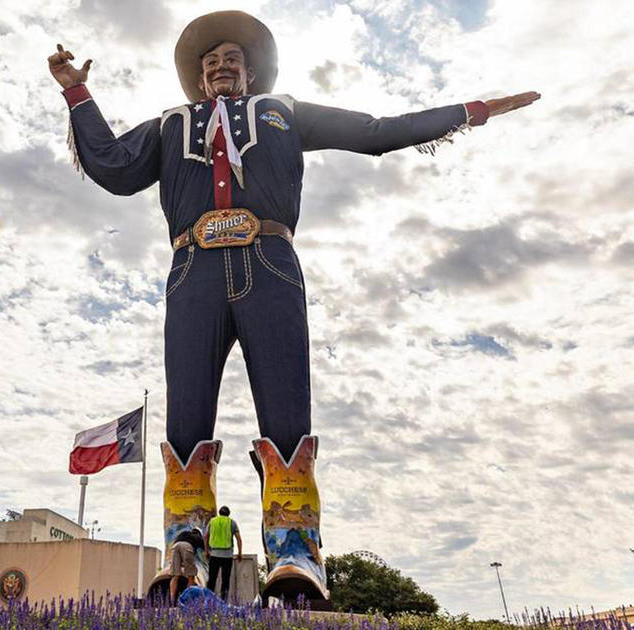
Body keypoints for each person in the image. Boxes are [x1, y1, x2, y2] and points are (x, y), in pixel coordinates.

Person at [48, 10, 537, 605]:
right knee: (187, 413)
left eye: (231, 58)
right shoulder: (169, 124)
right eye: (210, 62)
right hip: (192, 267)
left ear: (250, 70)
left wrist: (473, 110)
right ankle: (185, 550)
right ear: (199, 79)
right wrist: (77, 91)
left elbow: (376, 131)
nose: (219, 67)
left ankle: (295, 551)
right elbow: (115, 169)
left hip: (269, 258)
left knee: (285, 405)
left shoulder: (283, 112)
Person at [206, 506, 242, 601]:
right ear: (229, 513)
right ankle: (223, 600)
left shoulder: (212, 521)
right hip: (227, 556)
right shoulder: (231, 522)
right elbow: (238, 538)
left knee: (212, 579)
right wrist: (240, 553)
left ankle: (209, 600)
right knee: (225, 580)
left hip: (214, 554)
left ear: (219, 512)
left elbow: (206, 536)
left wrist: (206, 551)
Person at [166, 528, 203, 605]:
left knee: (175, 575)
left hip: (175, 547)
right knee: (191, 575)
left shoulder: (183, 534)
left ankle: (172, 600)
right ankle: (188, 599)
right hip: (187, 546)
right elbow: (204, 548)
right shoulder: (196, 537)